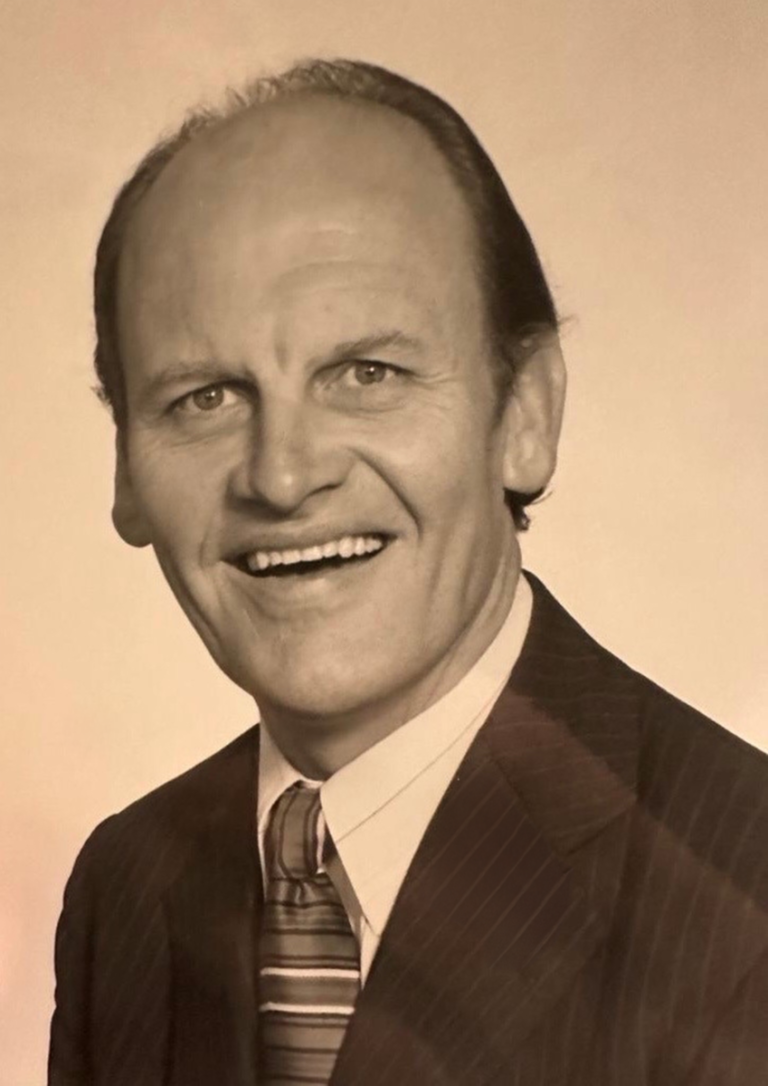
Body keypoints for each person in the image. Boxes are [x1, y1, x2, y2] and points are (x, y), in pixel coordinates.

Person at [49, 59, 768, 1086]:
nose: (283, 476)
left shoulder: (744, 893)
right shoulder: (127, 886)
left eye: (367, 373)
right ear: (125, 468)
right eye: (205, 397)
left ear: (525, 415)